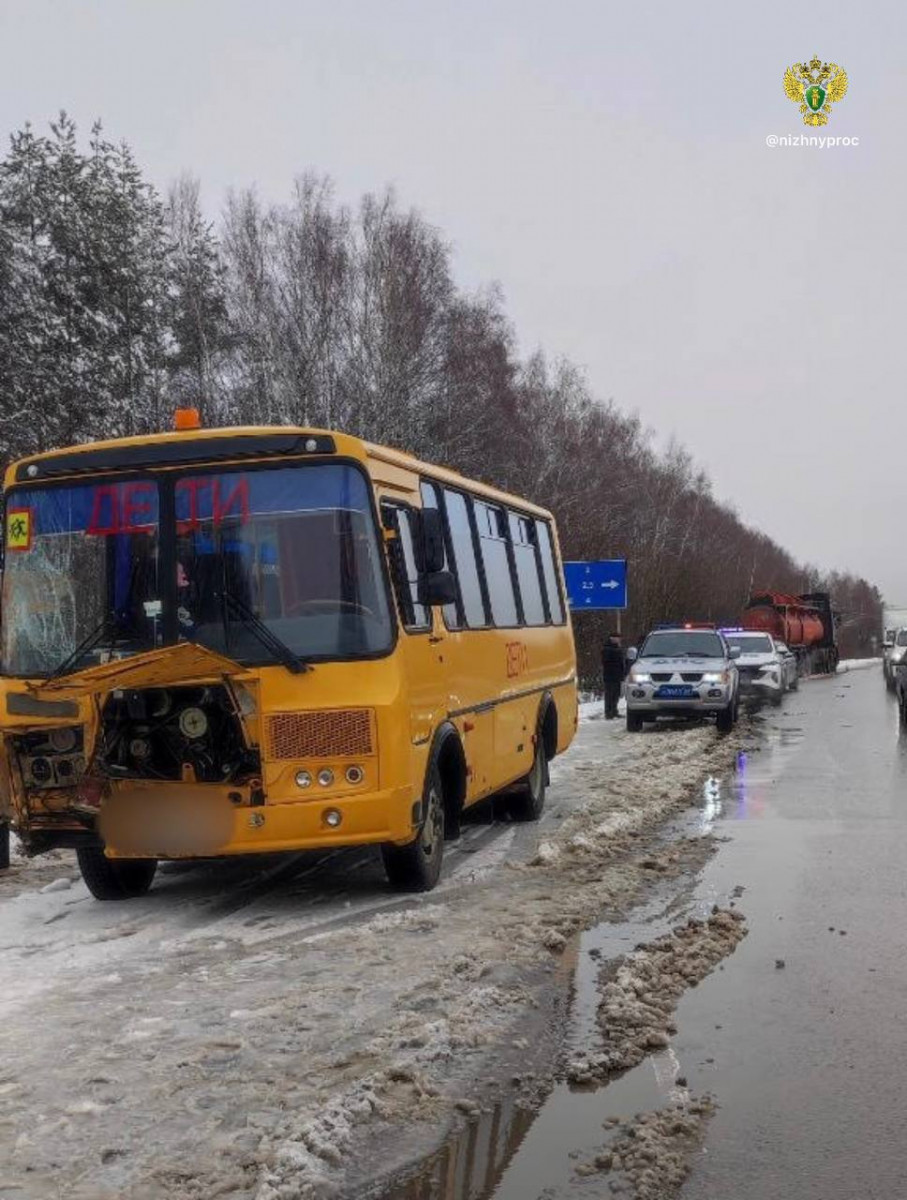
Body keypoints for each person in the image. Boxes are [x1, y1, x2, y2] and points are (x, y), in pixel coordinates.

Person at [602, 634, 625, 719]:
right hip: (610, 676)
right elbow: (606, 661)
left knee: (616, 694)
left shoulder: (617, 649)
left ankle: (614, 710)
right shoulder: (608, 649)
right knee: (610, 695)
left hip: (617, 675)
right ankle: (608, 712)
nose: (619, 640)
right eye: (617, 639)